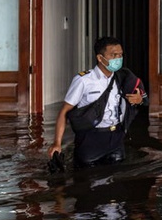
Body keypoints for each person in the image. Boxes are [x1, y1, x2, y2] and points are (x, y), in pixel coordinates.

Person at [47, 36, 147, 169]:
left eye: (120, 54)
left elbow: (141, 98)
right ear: (100, 58)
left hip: (116, 138)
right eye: (113, 55)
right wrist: (57, 143)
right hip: (91, 140)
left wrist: (139, 100)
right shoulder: (84, 80)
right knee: (86, 180)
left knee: (117, 181)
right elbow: (64, 111)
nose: (118, 58)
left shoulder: (123, 78)